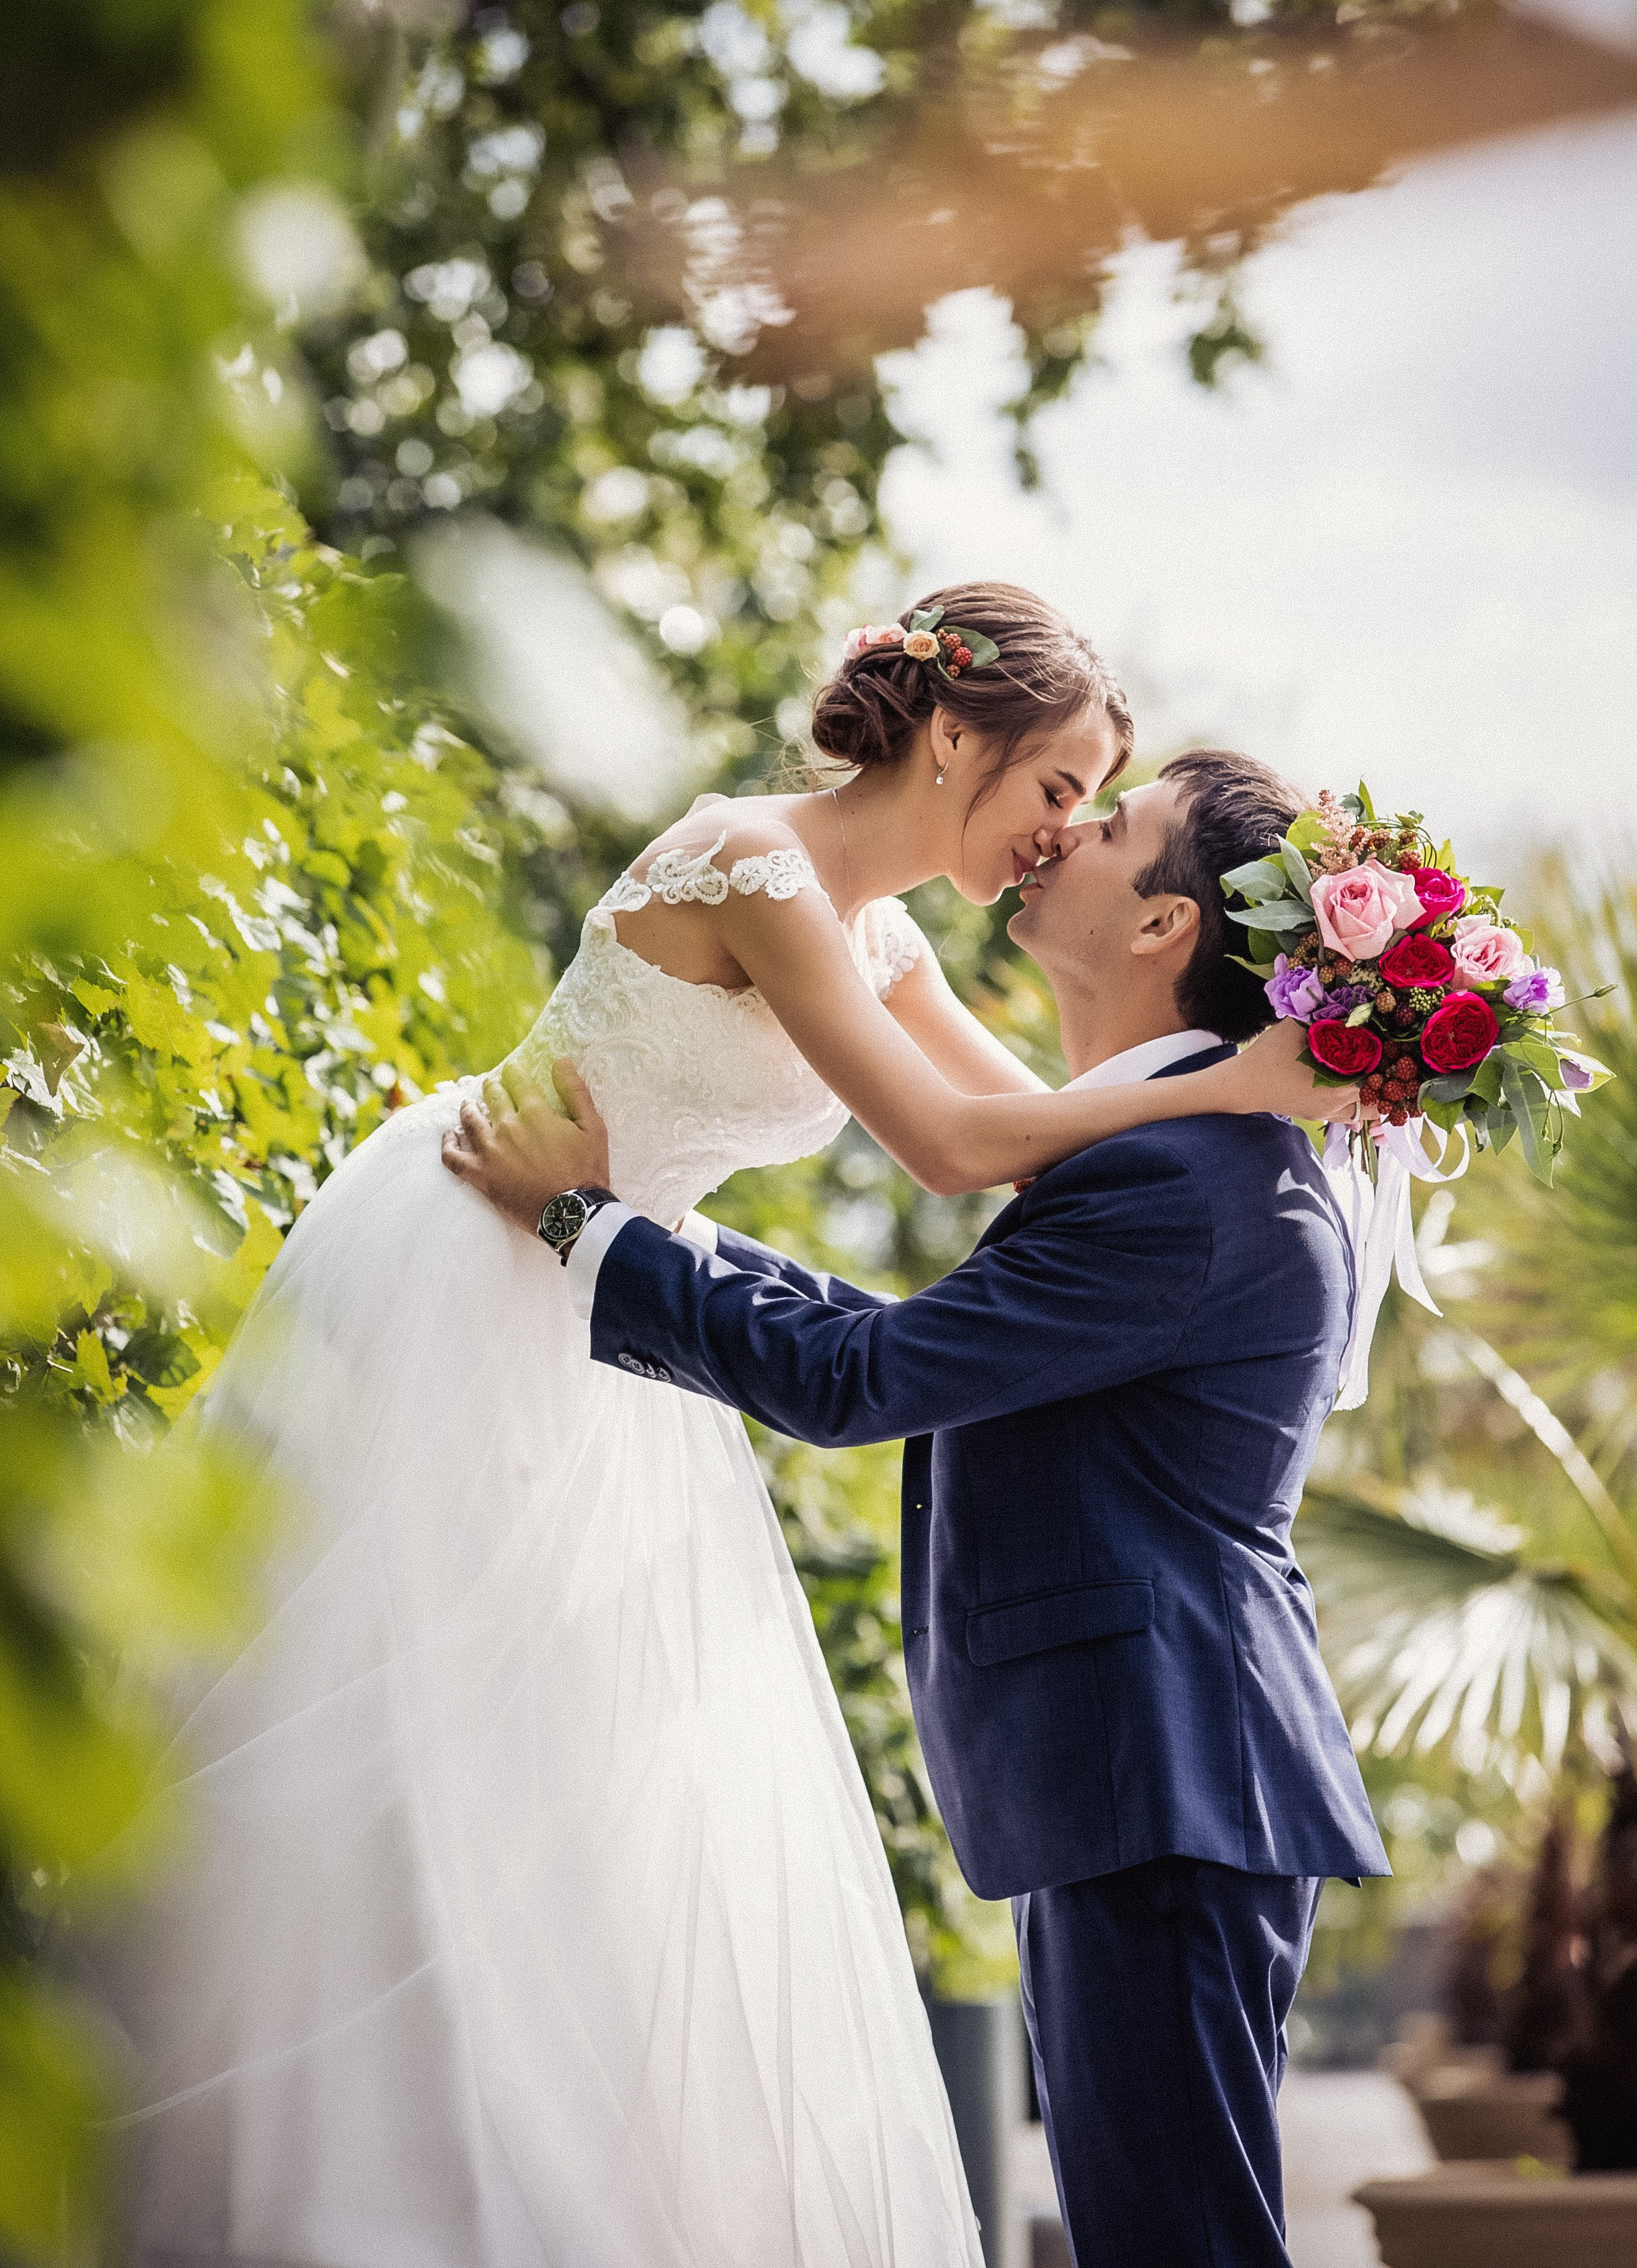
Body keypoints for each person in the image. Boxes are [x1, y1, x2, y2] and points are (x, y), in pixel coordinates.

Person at [106, 584, 1351, 2268]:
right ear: (958, 737)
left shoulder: (895, 944)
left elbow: (1031, 1135)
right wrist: (1236, 1077)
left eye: (1091, 812)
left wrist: (1272, 1057)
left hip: (609, 1287)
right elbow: (956, 1147)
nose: (1059, 836)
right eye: (1057, 787)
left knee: (594, 1789)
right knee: (410, 1728)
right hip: (487, 1253)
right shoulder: (753, 865)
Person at [442, 744, 1390, 2268]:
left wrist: (584, 1224)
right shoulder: (1170, 1159)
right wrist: (648, 1232)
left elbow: (861, 1382)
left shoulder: (1191, 1184)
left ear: (1164, 928)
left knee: (1176, 2245)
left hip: (1164, 1779)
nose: (1066, 830)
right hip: (1149, 1784)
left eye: (1114, 821)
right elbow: (904, 1351)